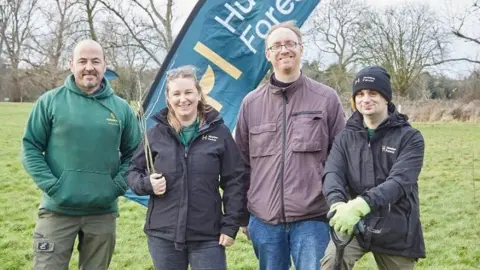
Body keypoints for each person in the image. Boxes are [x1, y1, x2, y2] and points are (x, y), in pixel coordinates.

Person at [234, 21, 346, 270]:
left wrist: (340, 207)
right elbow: (240, 164)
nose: (284, 50)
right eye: (277, 45)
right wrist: (243, 217)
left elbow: (342, 159)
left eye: (290, 44)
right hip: (265, 223)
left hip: (314, 221)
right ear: (268, 54)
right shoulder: (250, 104)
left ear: (301, 49)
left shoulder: (326, 99)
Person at [21, 39, 141, 269]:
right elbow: (30, 147)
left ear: (105, 65)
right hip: (57, 211)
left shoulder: (121, 108)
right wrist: (54, 187)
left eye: (95, 61)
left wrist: (114, 187)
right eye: (82, 61)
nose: (89, 67)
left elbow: (135, 155)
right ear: (71, 64)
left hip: (102, 214)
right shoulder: (50, 101)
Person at [126, 65, 245, 270]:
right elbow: (131, 172)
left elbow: (234, 181)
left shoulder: (220, 133)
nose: (183, 99)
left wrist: (231, 224)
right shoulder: (155, 134)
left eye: (189, 92)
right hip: (163, 234)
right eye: (177, 93)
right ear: (168, 98)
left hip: (208, 235)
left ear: (199, 94)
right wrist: (147, 184)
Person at [321, 66, 426, 269]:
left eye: (373, 93)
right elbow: (332, 173)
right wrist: (336, 203)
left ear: (386, 97)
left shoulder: (410, 138)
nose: (365, 99)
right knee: (330, 264)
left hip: (396, 227)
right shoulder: (345, 137)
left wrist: (361, 204)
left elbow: (400, 182)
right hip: (353, 223)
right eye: (359, 94)